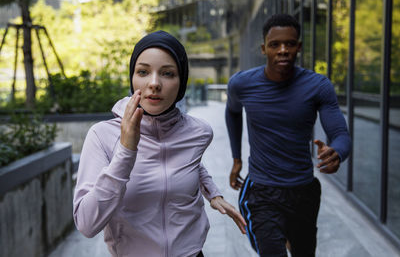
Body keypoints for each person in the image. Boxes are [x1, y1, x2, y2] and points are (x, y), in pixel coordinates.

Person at [73, 30, 246, 257]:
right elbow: (86, 224)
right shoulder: (102, 135)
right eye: (143, 72)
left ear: (181, 82)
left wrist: (213, 194)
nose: (154, 83)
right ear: (132, 77)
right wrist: (126, 151)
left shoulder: (199, 132)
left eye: (167, 73)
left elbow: (187, 163)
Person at [225, 14, 351, 257]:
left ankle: (290, 239)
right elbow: (232, 113)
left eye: (289, 44)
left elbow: (340, 134)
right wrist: (236, 159)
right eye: (275, 45)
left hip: (304, 192)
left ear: (298, 47)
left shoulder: (318, 86)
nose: (283, 50)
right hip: (262, 191)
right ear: (264, 49)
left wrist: (338, 153)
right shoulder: (242, 84)